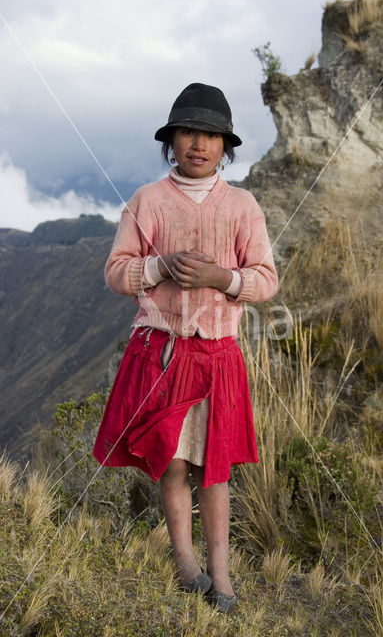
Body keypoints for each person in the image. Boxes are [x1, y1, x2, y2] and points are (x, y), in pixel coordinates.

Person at [93, 83, 278, 612]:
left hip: (218, 356)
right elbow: (114, 273)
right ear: (171, 140)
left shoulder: (242, 207)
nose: (199, 143)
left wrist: (223, 276)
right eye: (189, 131)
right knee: (172, 464)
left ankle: (221, 579)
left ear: (226, 146)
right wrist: (157, 267)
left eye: (212, 135)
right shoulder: (147, 201)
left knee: (213, 467)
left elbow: (265, 280)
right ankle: (186, 564)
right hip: (160, 354)